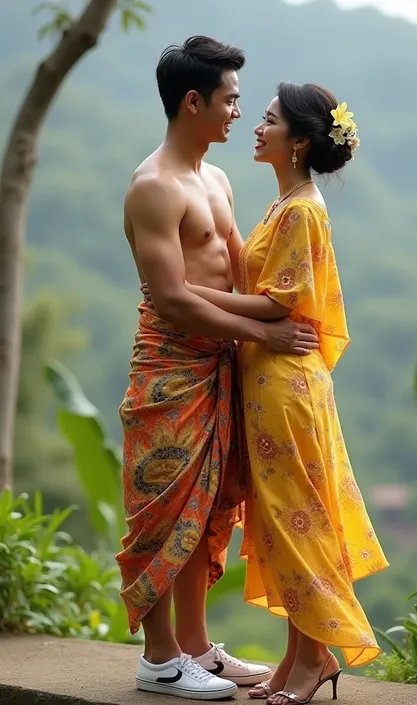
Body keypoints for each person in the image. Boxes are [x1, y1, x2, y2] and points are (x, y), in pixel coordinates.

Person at [115, 37, 320, 701]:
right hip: (171, 365)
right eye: (230, 99)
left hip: (221, 363)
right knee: (161, 508)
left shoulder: (218, 178)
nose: (238, 112)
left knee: (207, 512)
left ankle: (197, 646)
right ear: (192, 101)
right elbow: (172, 296)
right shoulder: (153, 186)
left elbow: (240, 272)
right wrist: (261, 330)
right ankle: (160, 656)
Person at [183, 82, 389, 704]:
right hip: (269, 380)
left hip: (284, 386)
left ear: (298, 141)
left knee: (296, 520)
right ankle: (303, 656)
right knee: (281, 519)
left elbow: (277, 302)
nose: (256, 126)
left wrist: (188, 294)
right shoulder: (289, 201)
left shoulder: (300, 209)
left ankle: (314, 658)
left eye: (268, 120)